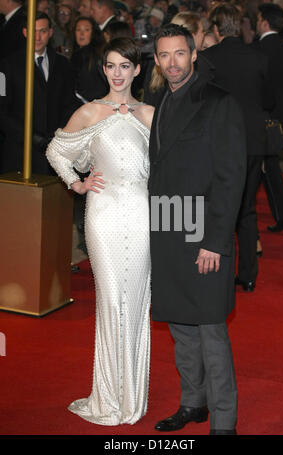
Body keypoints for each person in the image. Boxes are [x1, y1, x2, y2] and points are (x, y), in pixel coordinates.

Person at [46, 37, 154, 425]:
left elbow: (172, 163)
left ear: (137, 69)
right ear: (104, 70)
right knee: (111, 300)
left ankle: (132, 395)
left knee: (138, 300)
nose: (118, 73)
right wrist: (76, 183)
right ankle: (109, 395)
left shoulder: (150, 114)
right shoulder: (90, 112)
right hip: (104, 215)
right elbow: (56, 150)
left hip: (142, 214)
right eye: (111, 65)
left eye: (126, 65)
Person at [148, 23, 246, 435]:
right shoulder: (159, 102)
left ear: (194, 54)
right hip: (167, 230)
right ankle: (194, 403)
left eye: (180, 54)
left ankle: (224, 424)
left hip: (203, 234)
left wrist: (215, 243)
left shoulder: (219, 102)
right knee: (180, 328)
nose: (172, 63)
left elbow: (231, 178)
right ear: (156, 60)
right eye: (164, 55)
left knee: (210, 332)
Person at [202, 3, 273, 292]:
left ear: (216, 29)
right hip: (254, 141)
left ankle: (216, 274)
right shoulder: (258, 57)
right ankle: (248, 275)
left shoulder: (207, 59)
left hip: (219, 143)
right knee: (247, 210)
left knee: (219, 209)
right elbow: (269, 101)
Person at [0, 11, 79, 175]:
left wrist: (59, 134)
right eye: (33, 31)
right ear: (25, 32)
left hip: (55, 152)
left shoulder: (63, 64)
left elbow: (69, 103)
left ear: (50, 33)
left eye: (42, 31)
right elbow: (2, 112)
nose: (37, 37)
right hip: (19, 153)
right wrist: (33, 138)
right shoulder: (6, 65)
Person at [255, 2, 283, 232]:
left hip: (262, 117)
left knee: (264, 168)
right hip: (281, 115)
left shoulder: (258, 50)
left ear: (264, 22)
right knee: (269, 168)